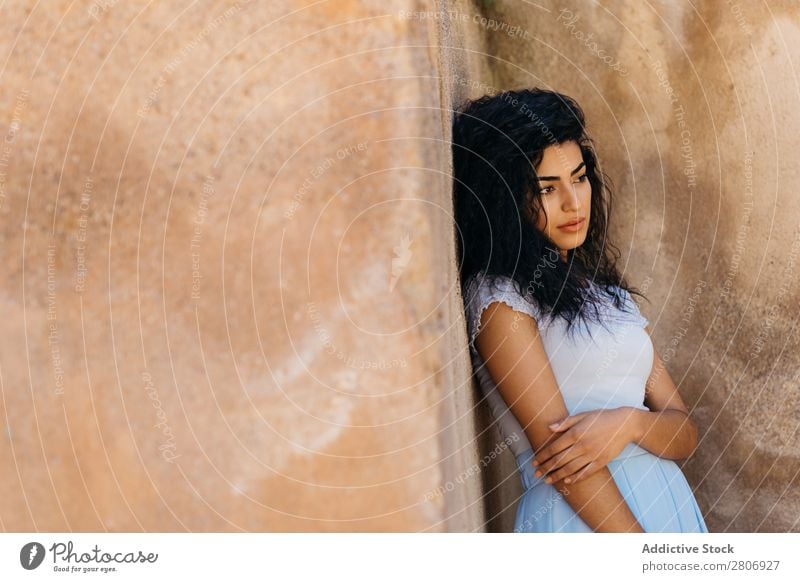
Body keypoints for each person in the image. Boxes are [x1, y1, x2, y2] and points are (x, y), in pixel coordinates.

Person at [452, 88, 708, 533]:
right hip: (586, 527)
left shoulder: (609, 299)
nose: (574, 203)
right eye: (546, 189)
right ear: (504, 200)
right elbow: (563, 461)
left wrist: (627, 424)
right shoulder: (502, 300)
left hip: (669, 513)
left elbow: (683, 430)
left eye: (579, 177)